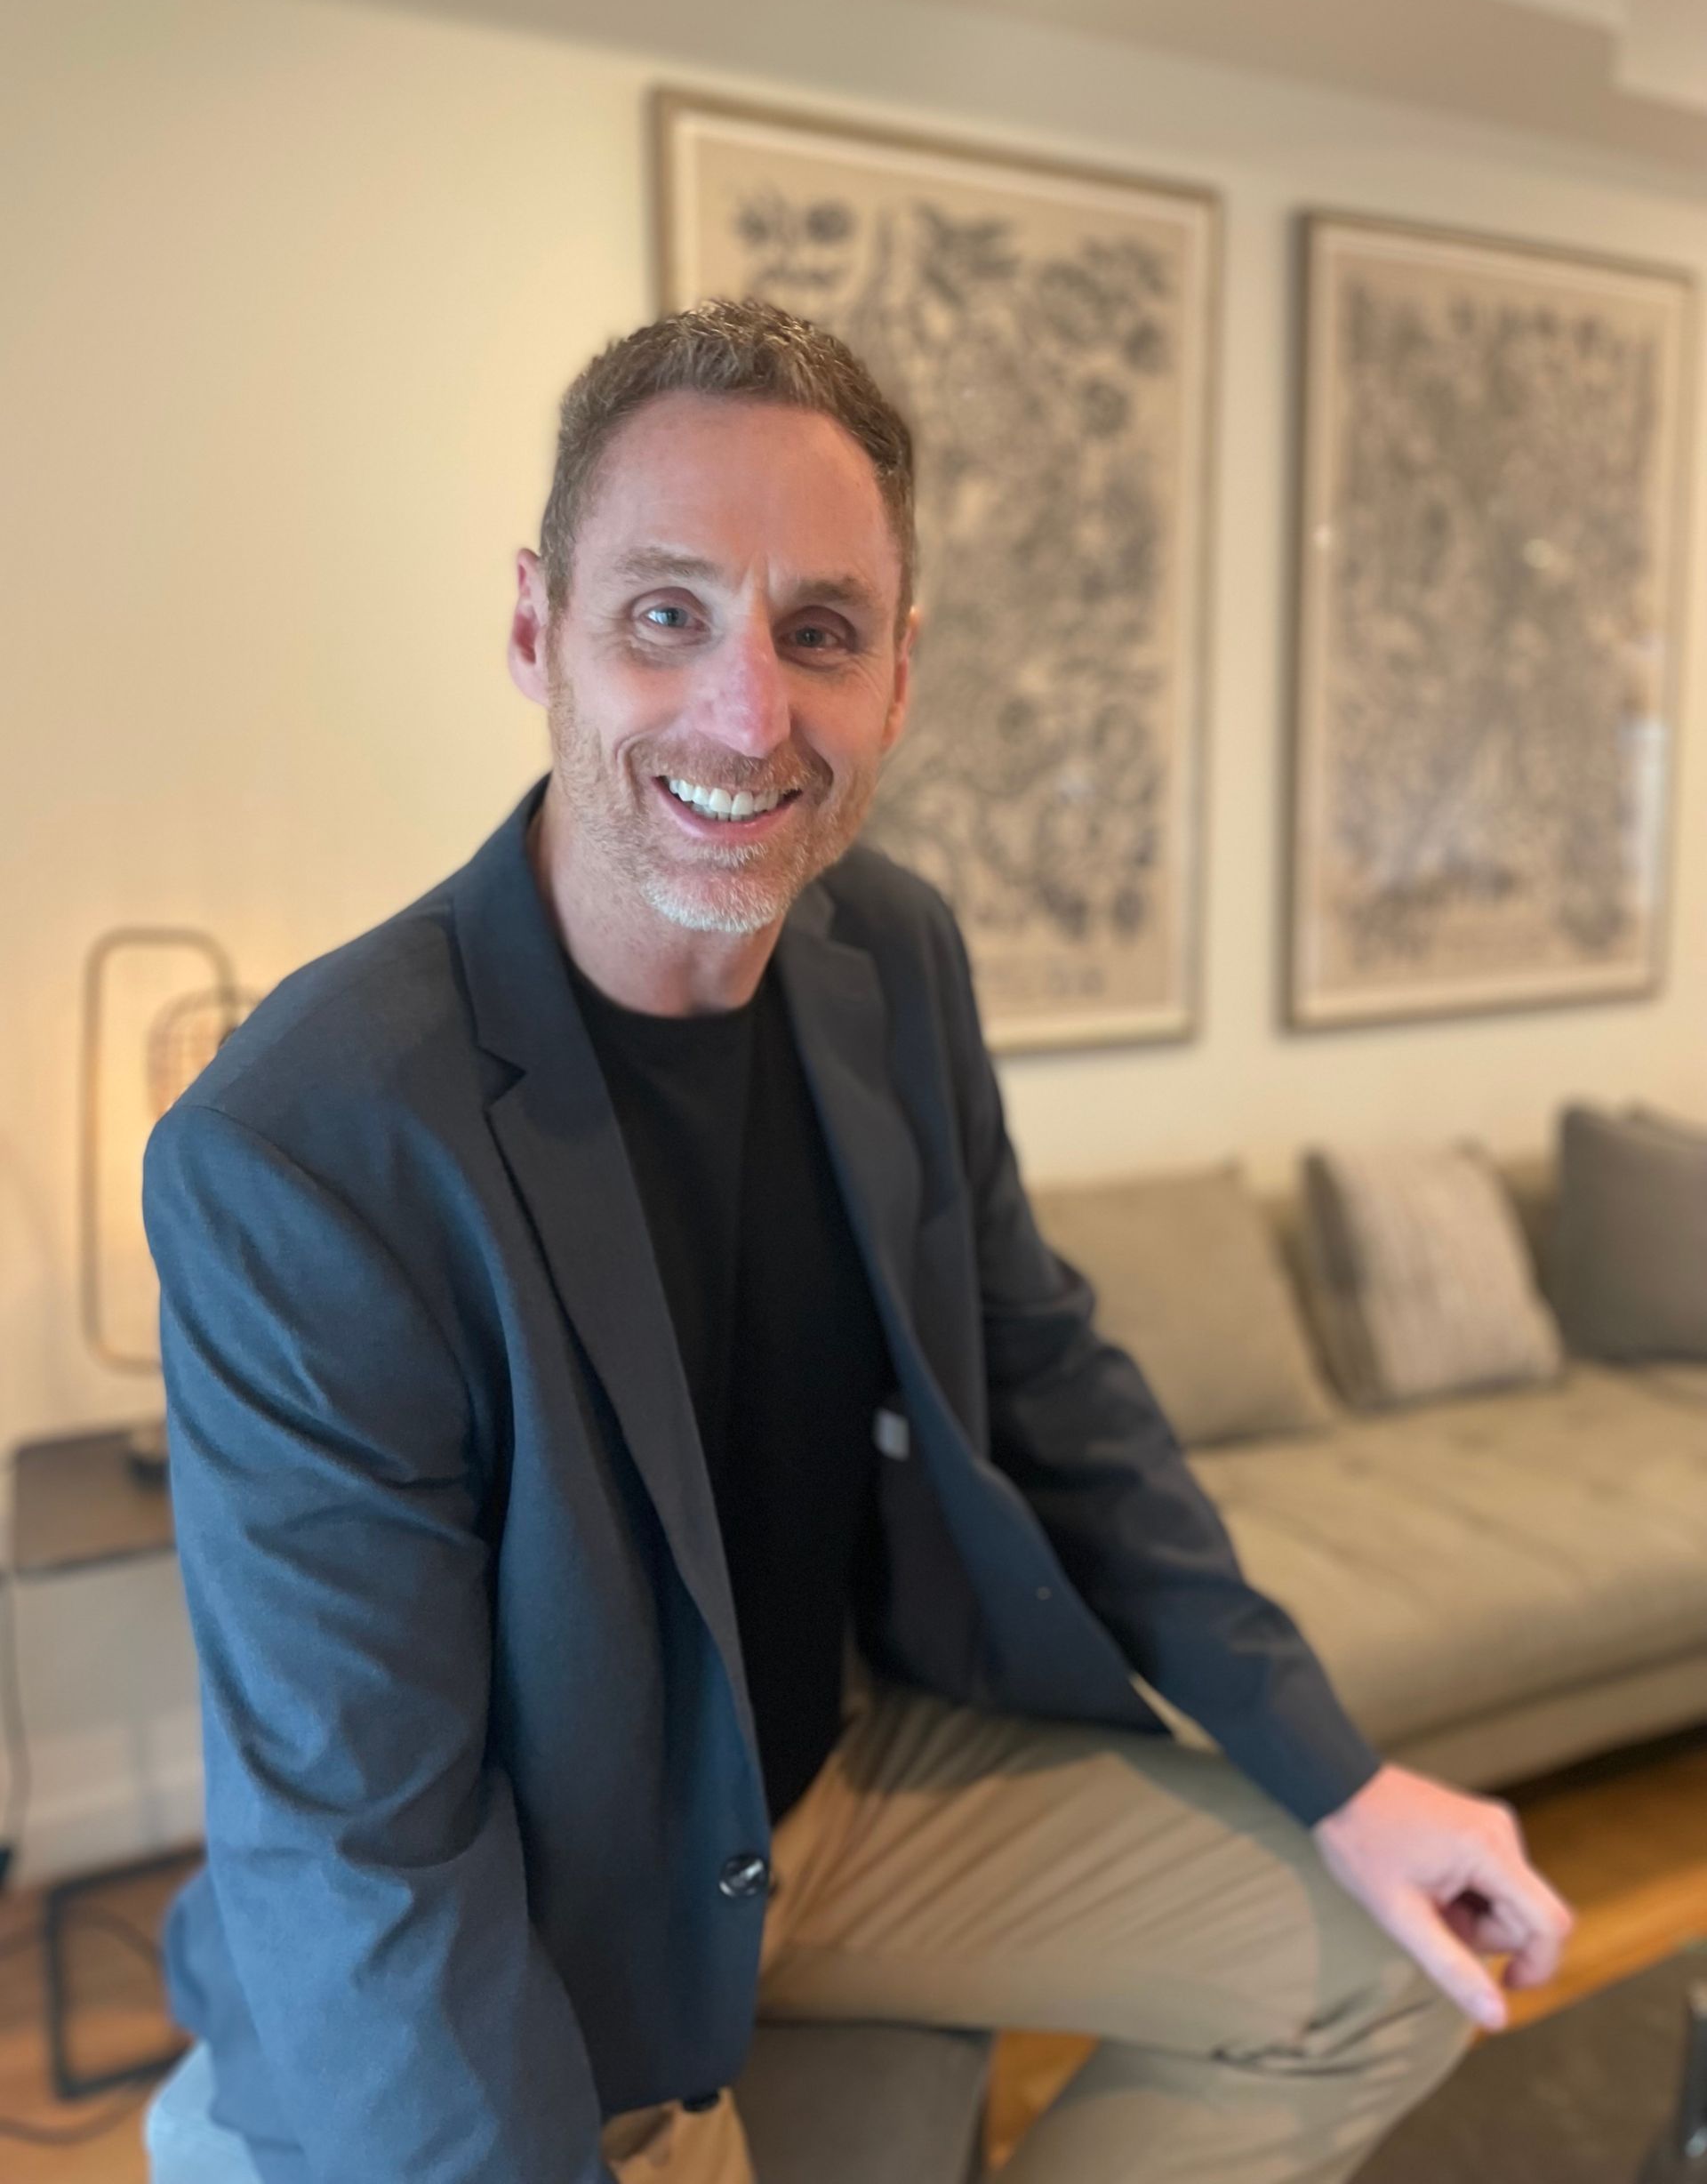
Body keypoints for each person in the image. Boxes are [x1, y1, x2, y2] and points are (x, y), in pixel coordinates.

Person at [141, 298, 1572, 2184]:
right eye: (666, 614)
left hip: (851, 1783)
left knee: (1387, 1975)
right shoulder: (305, 1146)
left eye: (819, 629)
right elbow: (361, 1846)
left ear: (898, 673)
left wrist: (1345, 1770)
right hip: (554, 1902)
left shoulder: (888, 951)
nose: (748, 710)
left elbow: (1050, 1376)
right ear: (532, 629)